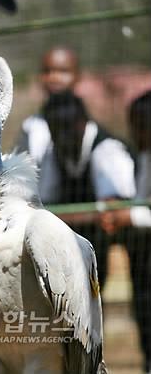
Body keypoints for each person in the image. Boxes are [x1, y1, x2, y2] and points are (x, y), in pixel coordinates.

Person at [40, 91, 136, 287]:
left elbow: (112, 214)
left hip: (129, 243)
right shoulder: (52, 153)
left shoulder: (107, 149)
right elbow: (43, 206)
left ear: (83, 121)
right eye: (55, 129)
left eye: (67, 127)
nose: (61, 135)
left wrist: (61, 216)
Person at [100, 90, 151, 374]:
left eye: (142, 125)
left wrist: (128, 215)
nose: (135, 133)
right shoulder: (145, 156)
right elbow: (142, 199)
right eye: (134, 125)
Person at [17, 47, 80, 162]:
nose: (54, 78)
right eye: (47, 71)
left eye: (63, 71)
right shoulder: (31, 126)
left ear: (77, 76)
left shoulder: (87, 126)